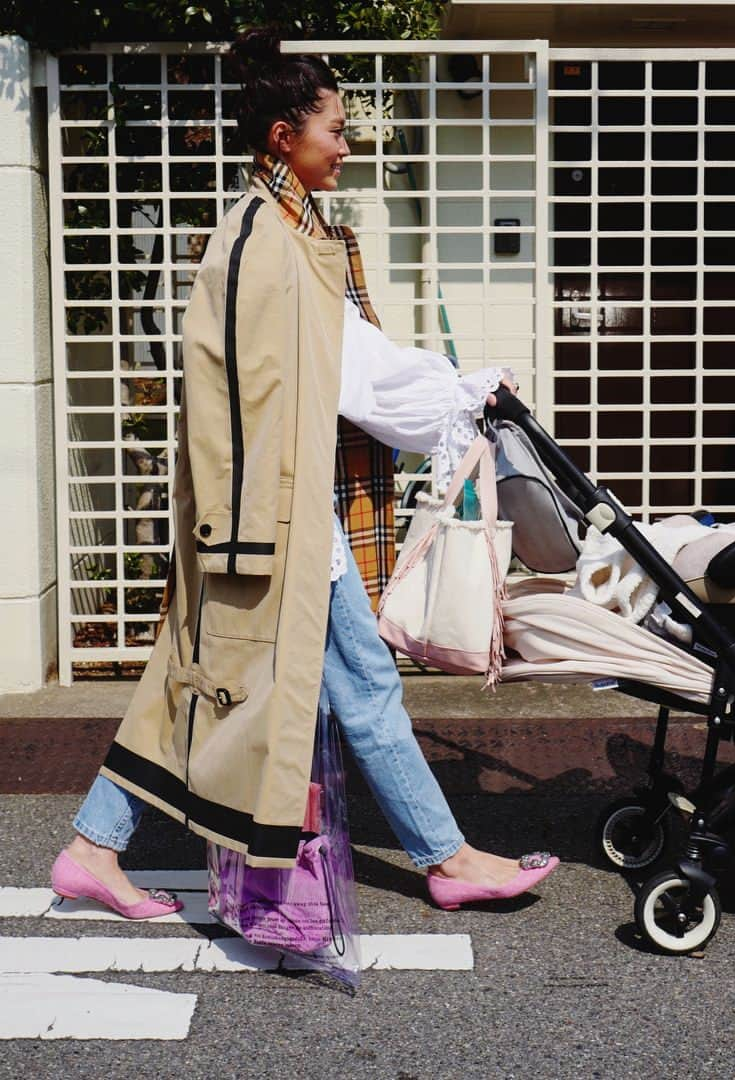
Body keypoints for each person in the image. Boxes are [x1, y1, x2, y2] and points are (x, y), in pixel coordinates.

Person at [50, 30, 557, 919]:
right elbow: (334, 376)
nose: (347, 144)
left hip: (264, 512)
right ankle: (449, 860)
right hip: (272, 517)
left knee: (202, 677)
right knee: (346, 685)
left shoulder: (277, 231)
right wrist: (462, 391)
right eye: (334, 128)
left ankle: (95, 846)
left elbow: (334, 368)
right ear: (284, 135)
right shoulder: (266, 243)